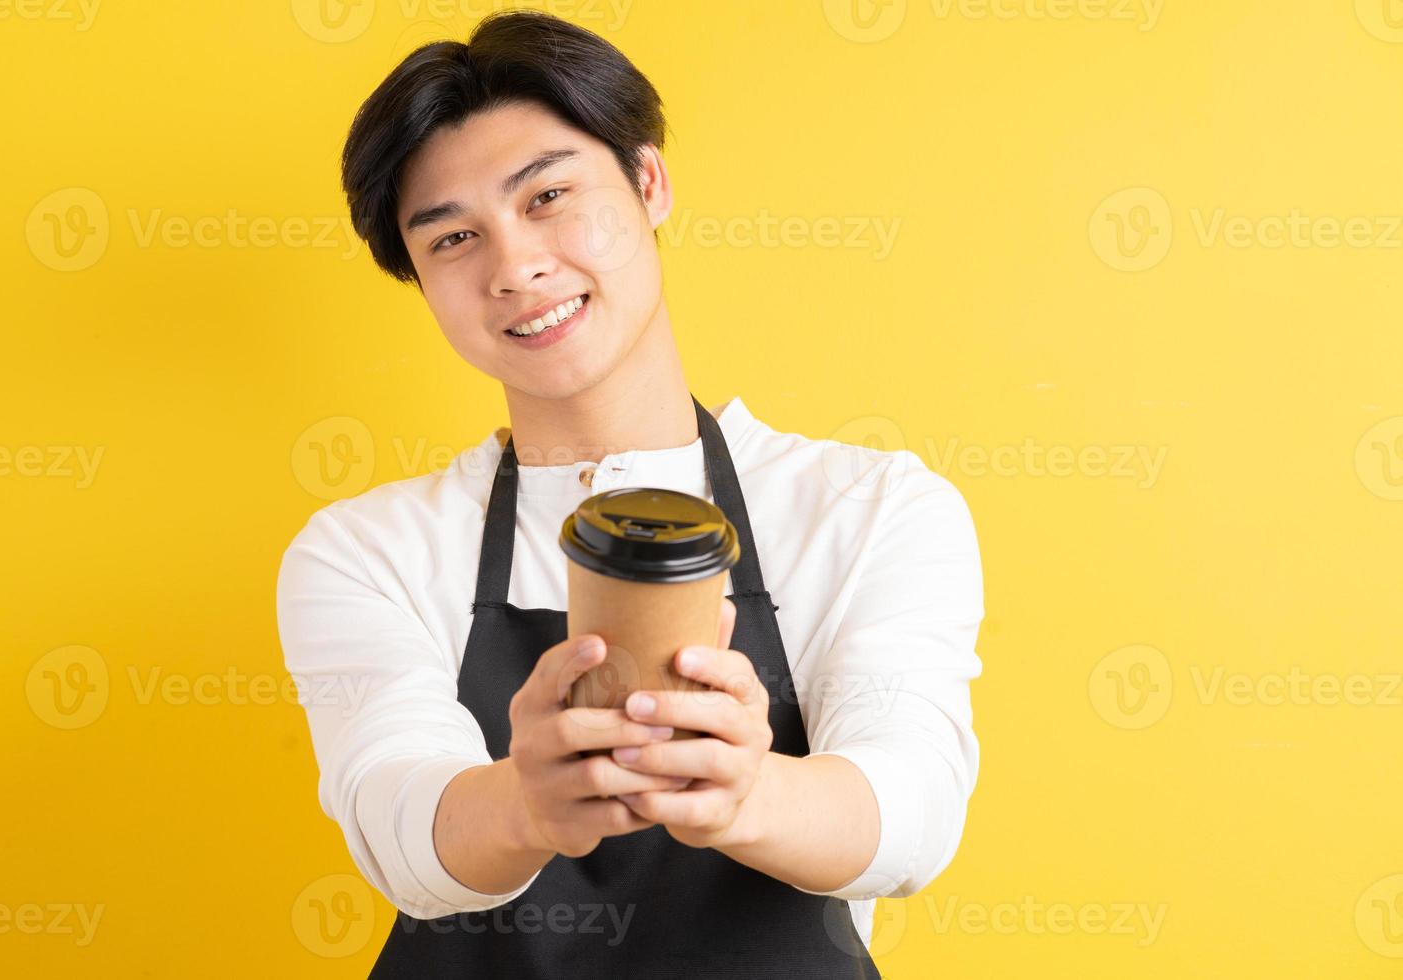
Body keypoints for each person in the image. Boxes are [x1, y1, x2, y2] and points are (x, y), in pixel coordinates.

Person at [276, 10, 984, 978]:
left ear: (649, 182)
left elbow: (913, 811)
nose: (515, 266)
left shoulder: (868, 508)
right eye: (453, 239)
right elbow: (394, 819)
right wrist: (529, 804)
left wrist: (747, 793)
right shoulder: (369, 548)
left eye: (550, 195)